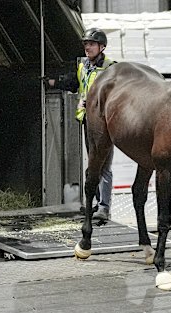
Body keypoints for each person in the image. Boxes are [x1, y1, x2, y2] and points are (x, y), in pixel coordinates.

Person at [47, 28, 115, 221]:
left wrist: (95, 103)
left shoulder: (110, 67)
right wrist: (54, 82)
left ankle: (104, 208)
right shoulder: (84, 66)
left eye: (91, 44)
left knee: (104, 166)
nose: (87, 47)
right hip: (88, 121)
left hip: (104, 123)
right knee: (93, 164)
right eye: (86, 44)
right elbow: (75, 83)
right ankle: (96, 204)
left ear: (102, 47)